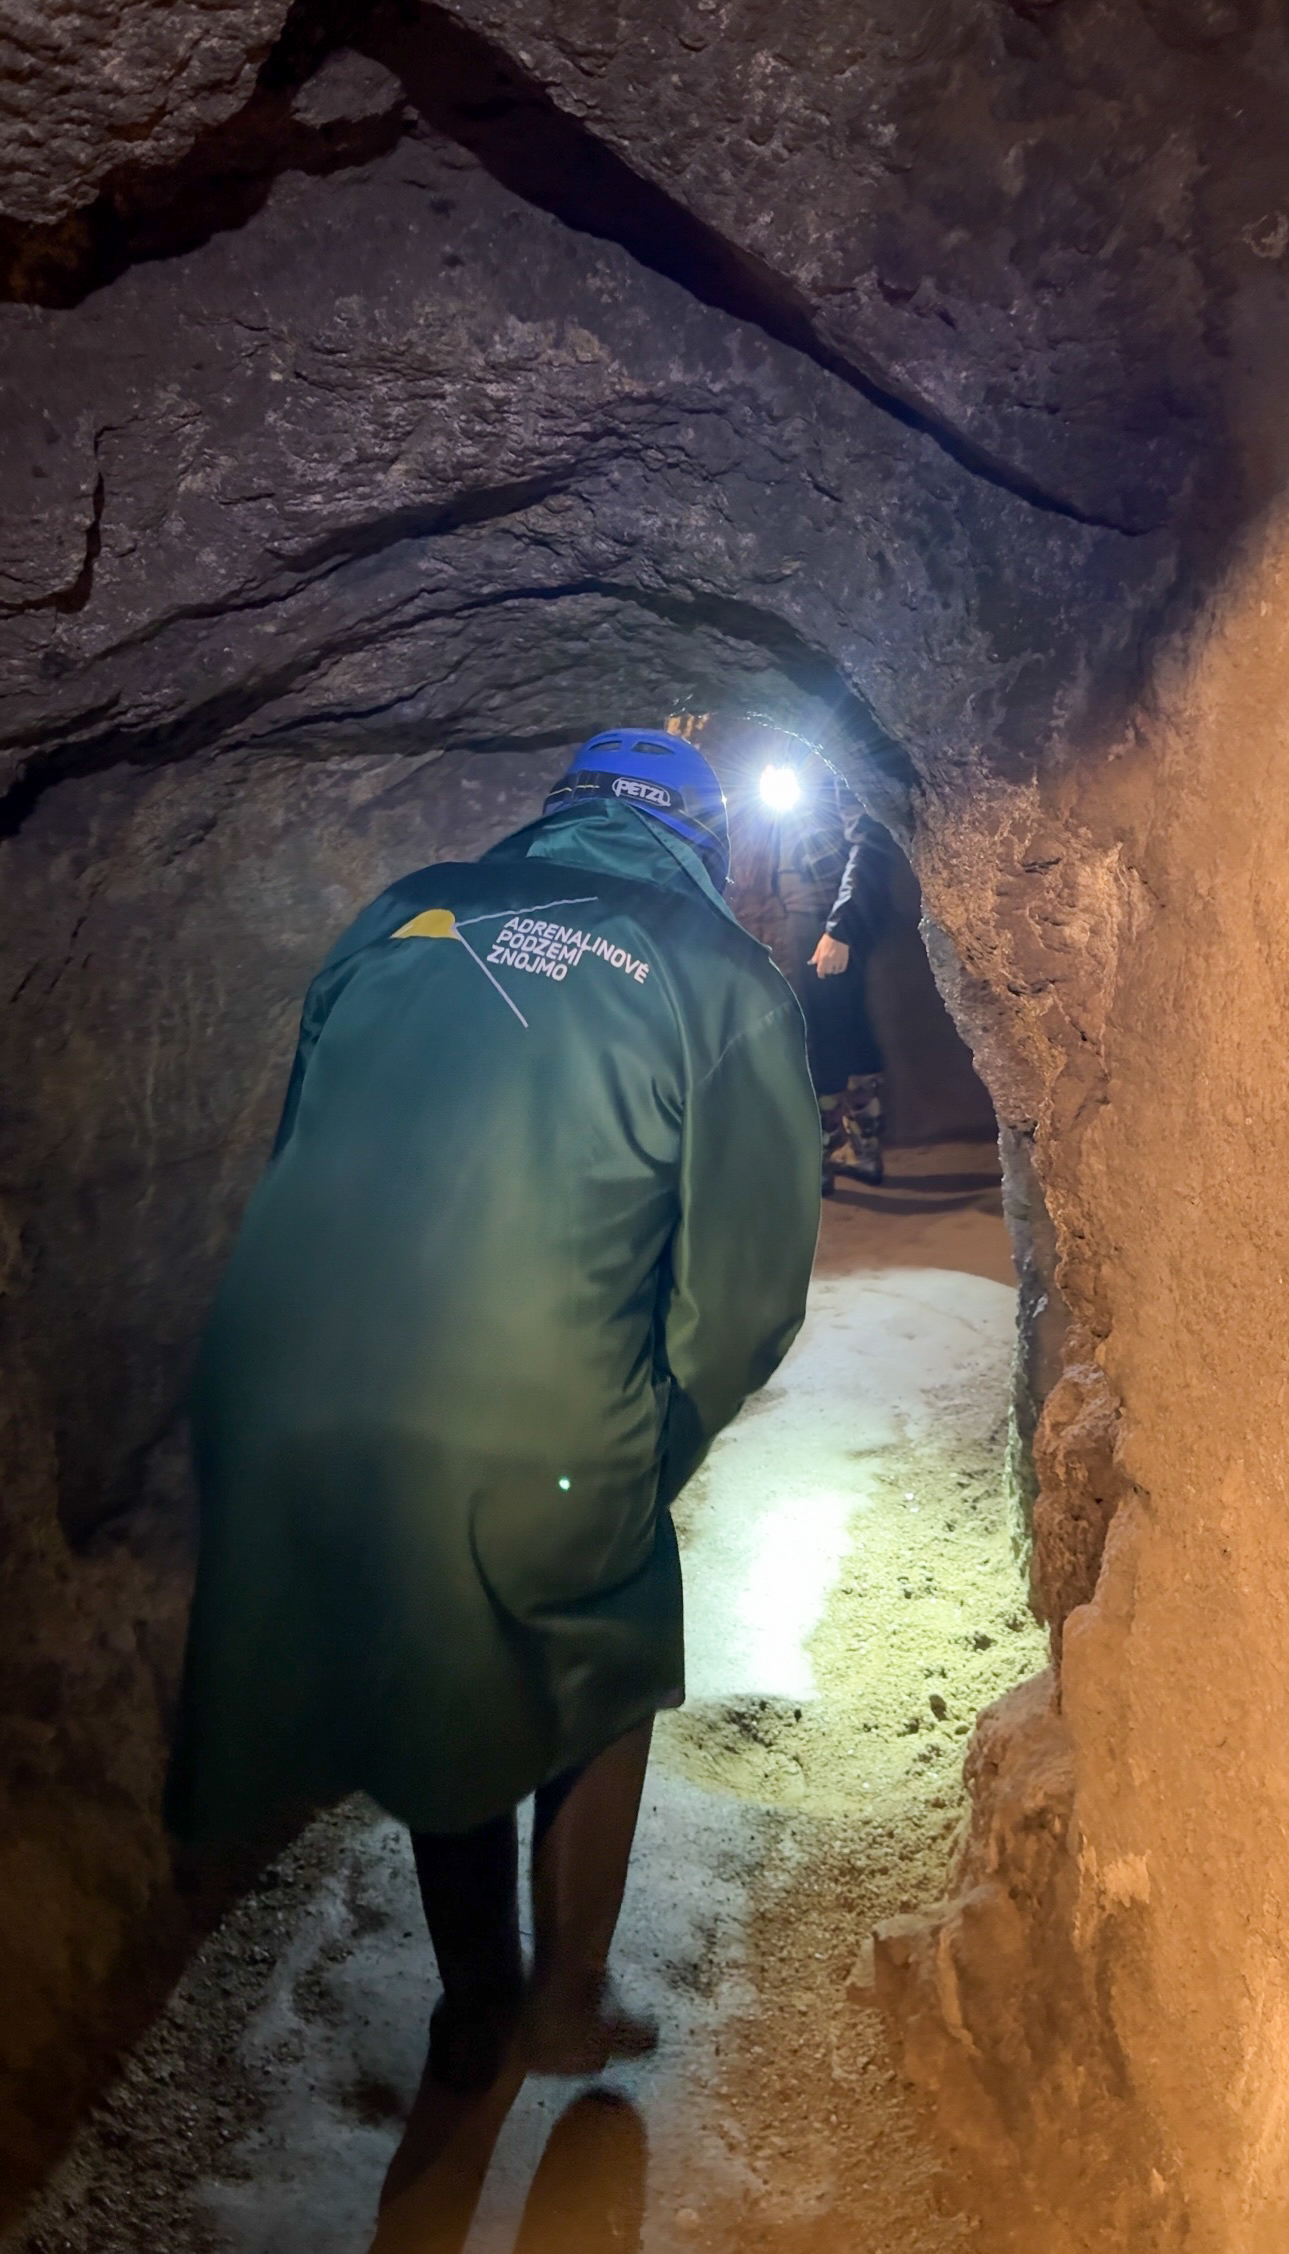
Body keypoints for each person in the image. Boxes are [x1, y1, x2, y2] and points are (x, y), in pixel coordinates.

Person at [165, 727, 820, 2095]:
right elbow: (746, 1296)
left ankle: (473, 1992)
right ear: (698, 841)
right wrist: (653, 1440)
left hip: (282, 1395)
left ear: (557, 814)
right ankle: (561, 2001)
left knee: (434, 1641)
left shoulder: (406, 910)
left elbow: (309, 1146)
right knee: (602, 1639)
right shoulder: (717, 975)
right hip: (535, 1421)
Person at [770, 758, 892, 1189]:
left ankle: (827, 1152)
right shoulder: (799, 756)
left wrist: (839, 927)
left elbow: (867, 839)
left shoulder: (831, 758)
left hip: (822, 914)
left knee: (820, 1036)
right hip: (814, 911)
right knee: (845, 1030)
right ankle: (859, 1150)